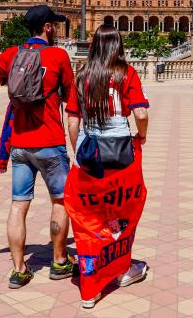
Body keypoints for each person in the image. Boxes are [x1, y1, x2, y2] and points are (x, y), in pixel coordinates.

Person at [0, 5, 76, 289]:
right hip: (50, 142)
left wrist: (5, 80)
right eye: (55, 25)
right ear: (48, 28)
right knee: (60, 202)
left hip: (18, 145)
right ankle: (59, 261)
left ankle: (19, 270)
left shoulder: (11, 54)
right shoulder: (58, 55)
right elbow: (71, 98)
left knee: (18, 206)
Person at [64, 25, 150, 307]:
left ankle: (91, 285)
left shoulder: (82, 76)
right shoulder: (127, 73)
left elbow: (73, 121)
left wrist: (78, 150)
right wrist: (142, 135)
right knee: (123, 208)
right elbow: (141, 111)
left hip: (90, 153)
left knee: (89, 214)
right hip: (122, 152)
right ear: (118, 46)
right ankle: (121, 269)